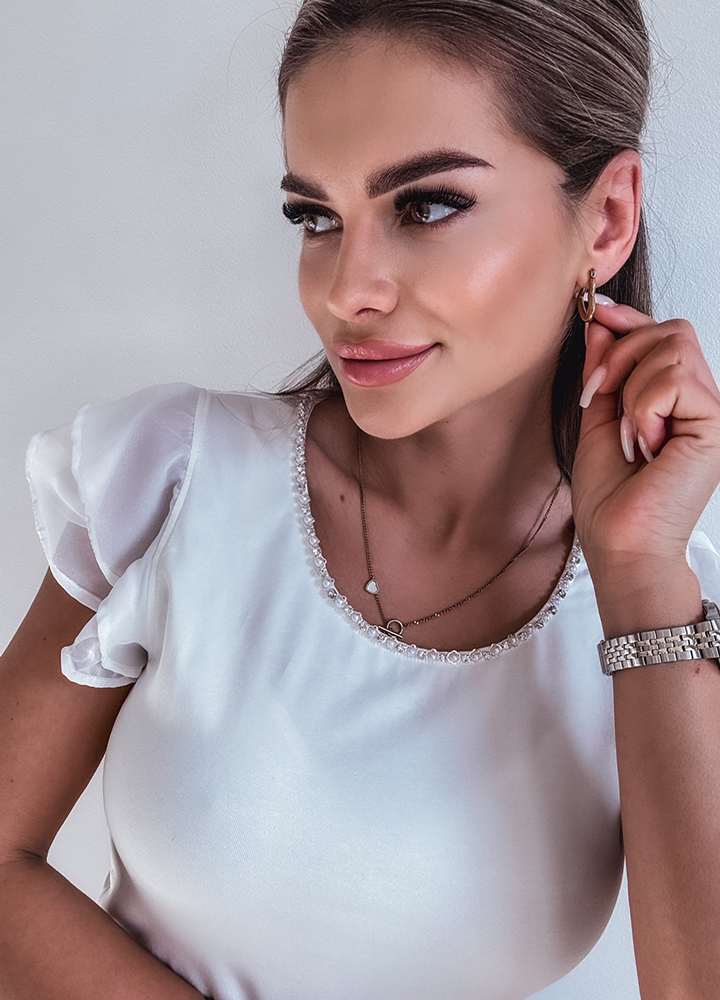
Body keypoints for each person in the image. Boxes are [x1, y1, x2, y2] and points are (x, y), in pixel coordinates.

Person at [2, 1, 720, 998]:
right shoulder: (173, 481)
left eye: (424, 206)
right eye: (316, 217)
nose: (347, 291)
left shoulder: (678, 591)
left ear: (605, 217)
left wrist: (640, 575)